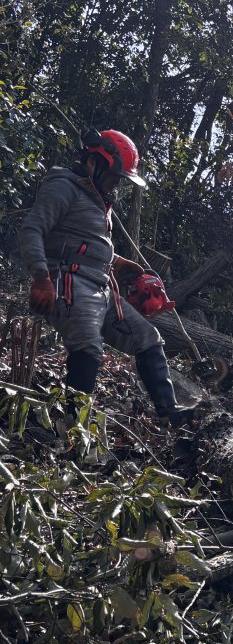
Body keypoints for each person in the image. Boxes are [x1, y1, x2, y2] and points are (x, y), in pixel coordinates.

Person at [18, 128, 193, 425]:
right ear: (93, 163)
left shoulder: (98, 200)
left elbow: (83, 240)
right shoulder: (64, 186)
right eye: (113, 176)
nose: (115, 183)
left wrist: (118, 262)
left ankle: (169, 414)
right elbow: (31, 231)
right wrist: (41, 277)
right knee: (88, 346)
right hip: (68, 282)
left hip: (100, 287)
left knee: (148, 337)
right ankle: (71, 428)